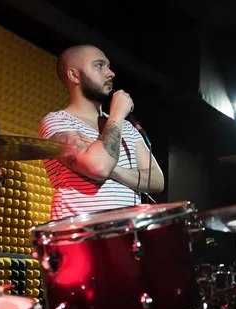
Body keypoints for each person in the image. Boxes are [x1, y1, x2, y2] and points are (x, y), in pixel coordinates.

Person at [38, 44, 164, 221]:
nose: (110, 73)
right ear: (74, 75)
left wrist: (115, 170)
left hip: (126, 234)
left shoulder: (125, 127)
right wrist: (118, 114)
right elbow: (99, 167)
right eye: (99, 65)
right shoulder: (57, 121)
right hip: (79, 235)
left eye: (108, 66)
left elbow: (156, 180)